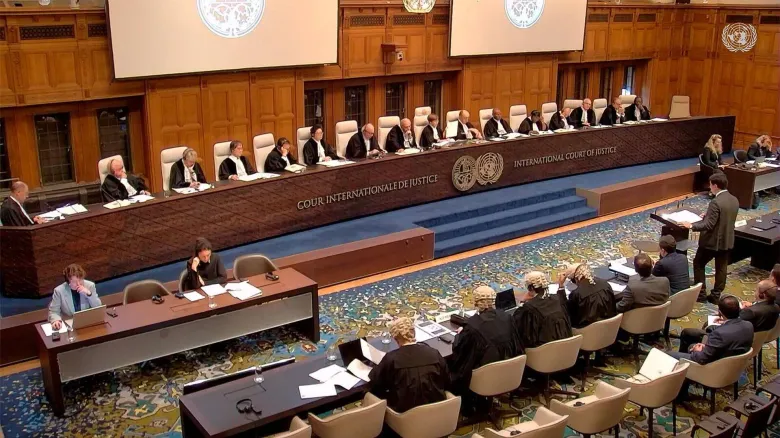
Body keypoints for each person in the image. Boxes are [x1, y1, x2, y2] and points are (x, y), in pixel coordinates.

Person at [670, 296, 753, 400]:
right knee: (689, 335)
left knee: (669, 354)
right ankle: (684, 380)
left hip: (714, 369)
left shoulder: (720, 334)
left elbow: (701, 359)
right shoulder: (749, 325)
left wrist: (697, 350)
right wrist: (707, 346)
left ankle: (679, 393)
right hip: (732, 365)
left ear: (720, 313)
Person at [368, 317, 449, 413]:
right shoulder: (434, 353)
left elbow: (375, 385)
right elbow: (447, 381)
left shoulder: (391, 359)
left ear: (395, 339)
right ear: (414, 332)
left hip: (405, 415)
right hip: (437, 410)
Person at [680, 173, 739, 303]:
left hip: (712, 242)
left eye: (710, 184)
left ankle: (700, 294)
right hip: (727, 239)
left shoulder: (715, 202)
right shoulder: (734, 199)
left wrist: (691, 225)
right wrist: (708, 215)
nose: (709, 187)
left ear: (715, 185)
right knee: (721, 267)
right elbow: (725, 217)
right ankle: (716, 295)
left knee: (698, 264)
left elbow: (709, 225)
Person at [450, 286, 519, 394]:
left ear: (475, 302)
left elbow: (460, 350)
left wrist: (460, 334)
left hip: (483, 375)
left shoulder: (472, 325)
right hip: (510, 369)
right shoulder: (507, 317)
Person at [513, 272, 572, 350]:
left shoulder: (529, 308)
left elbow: (519, 328)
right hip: (567, 347)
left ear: (531, 288)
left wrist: (522, 302)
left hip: (545, 351)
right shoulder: (558, 299)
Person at [557, 263, 617, 329]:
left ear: (575, 278)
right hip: (611, 328)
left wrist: (561, 287)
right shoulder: (605, 284)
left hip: (588, 331)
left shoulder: (577, 294)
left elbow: (566, 313)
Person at [48, 264, 102, 330]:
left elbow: (98, 307)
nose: (79, 284)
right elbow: (54, 311)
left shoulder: (90, 285)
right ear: (68, 282)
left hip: (87, 322)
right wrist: (56, 320)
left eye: (81, 280)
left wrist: (89, 294)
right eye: (75, 281)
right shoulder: (59, 291)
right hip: (69, 324)